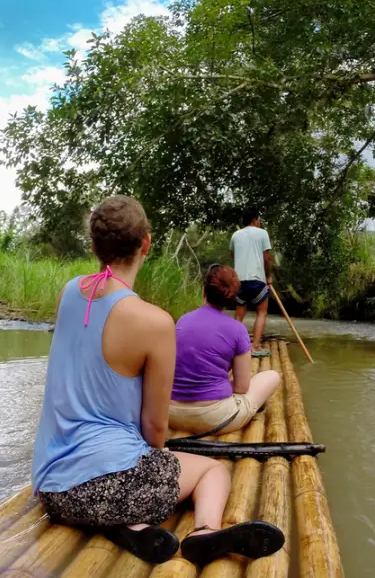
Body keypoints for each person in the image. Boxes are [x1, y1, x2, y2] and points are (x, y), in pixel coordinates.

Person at [31, 196, 284, 566]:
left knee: (116, 488)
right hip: (106, 486)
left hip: (52, 488)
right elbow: (154, 425)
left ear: (93, 246)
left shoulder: (71, 291)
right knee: (212, 471)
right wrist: (161, 455)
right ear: (146, 243)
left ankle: (127, 527)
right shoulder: (155, 322)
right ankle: (205, 533)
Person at [169, 264, 282, 436]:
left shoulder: (183, 321)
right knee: (272, 376)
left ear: (204, 292)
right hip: (215, 418)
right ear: (232, 299)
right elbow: (242, 387)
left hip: (172, 413)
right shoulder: (237, 329)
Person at [230, 207, 272, 357]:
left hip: (238, 281)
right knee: (261, 312)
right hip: (257, 280)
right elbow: (267, 258)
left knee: (239, 314)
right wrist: (268, 277)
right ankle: (255, 346)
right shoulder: (263, 233)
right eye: (259, 219)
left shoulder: (235, 235)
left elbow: (233, 256)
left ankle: (234, 347)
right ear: (255, 220)